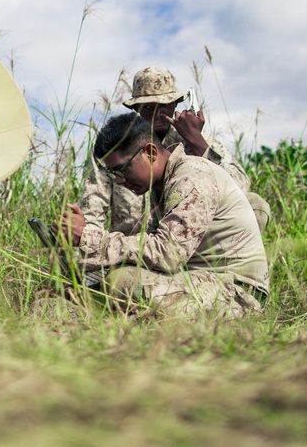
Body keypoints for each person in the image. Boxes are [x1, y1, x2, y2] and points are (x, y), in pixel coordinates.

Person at [55, 112, 269, 318]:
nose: (119, 181)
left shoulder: (191, 176)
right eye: (113, 174)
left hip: (237, 293)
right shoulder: (164, 183)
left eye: (122, 170)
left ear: (150, 152)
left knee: (123, 281)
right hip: (202, 279)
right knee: (114, 280)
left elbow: (168, 254)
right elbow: (150, 250)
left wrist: (89, 238)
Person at [78, 67, 270, 257]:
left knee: (255, 204)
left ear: (175, 105)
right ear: (136, 109)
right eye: (148, 107)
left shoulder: (194, 140)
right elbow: (93, 208)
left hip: (189, 246)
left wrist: (197, 142)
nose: (157, 114)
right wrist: (89, 247)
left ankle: (223, 272)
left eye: (164, 105)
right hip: (131, 249)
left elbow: (239, 188)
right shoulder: (115, 151)